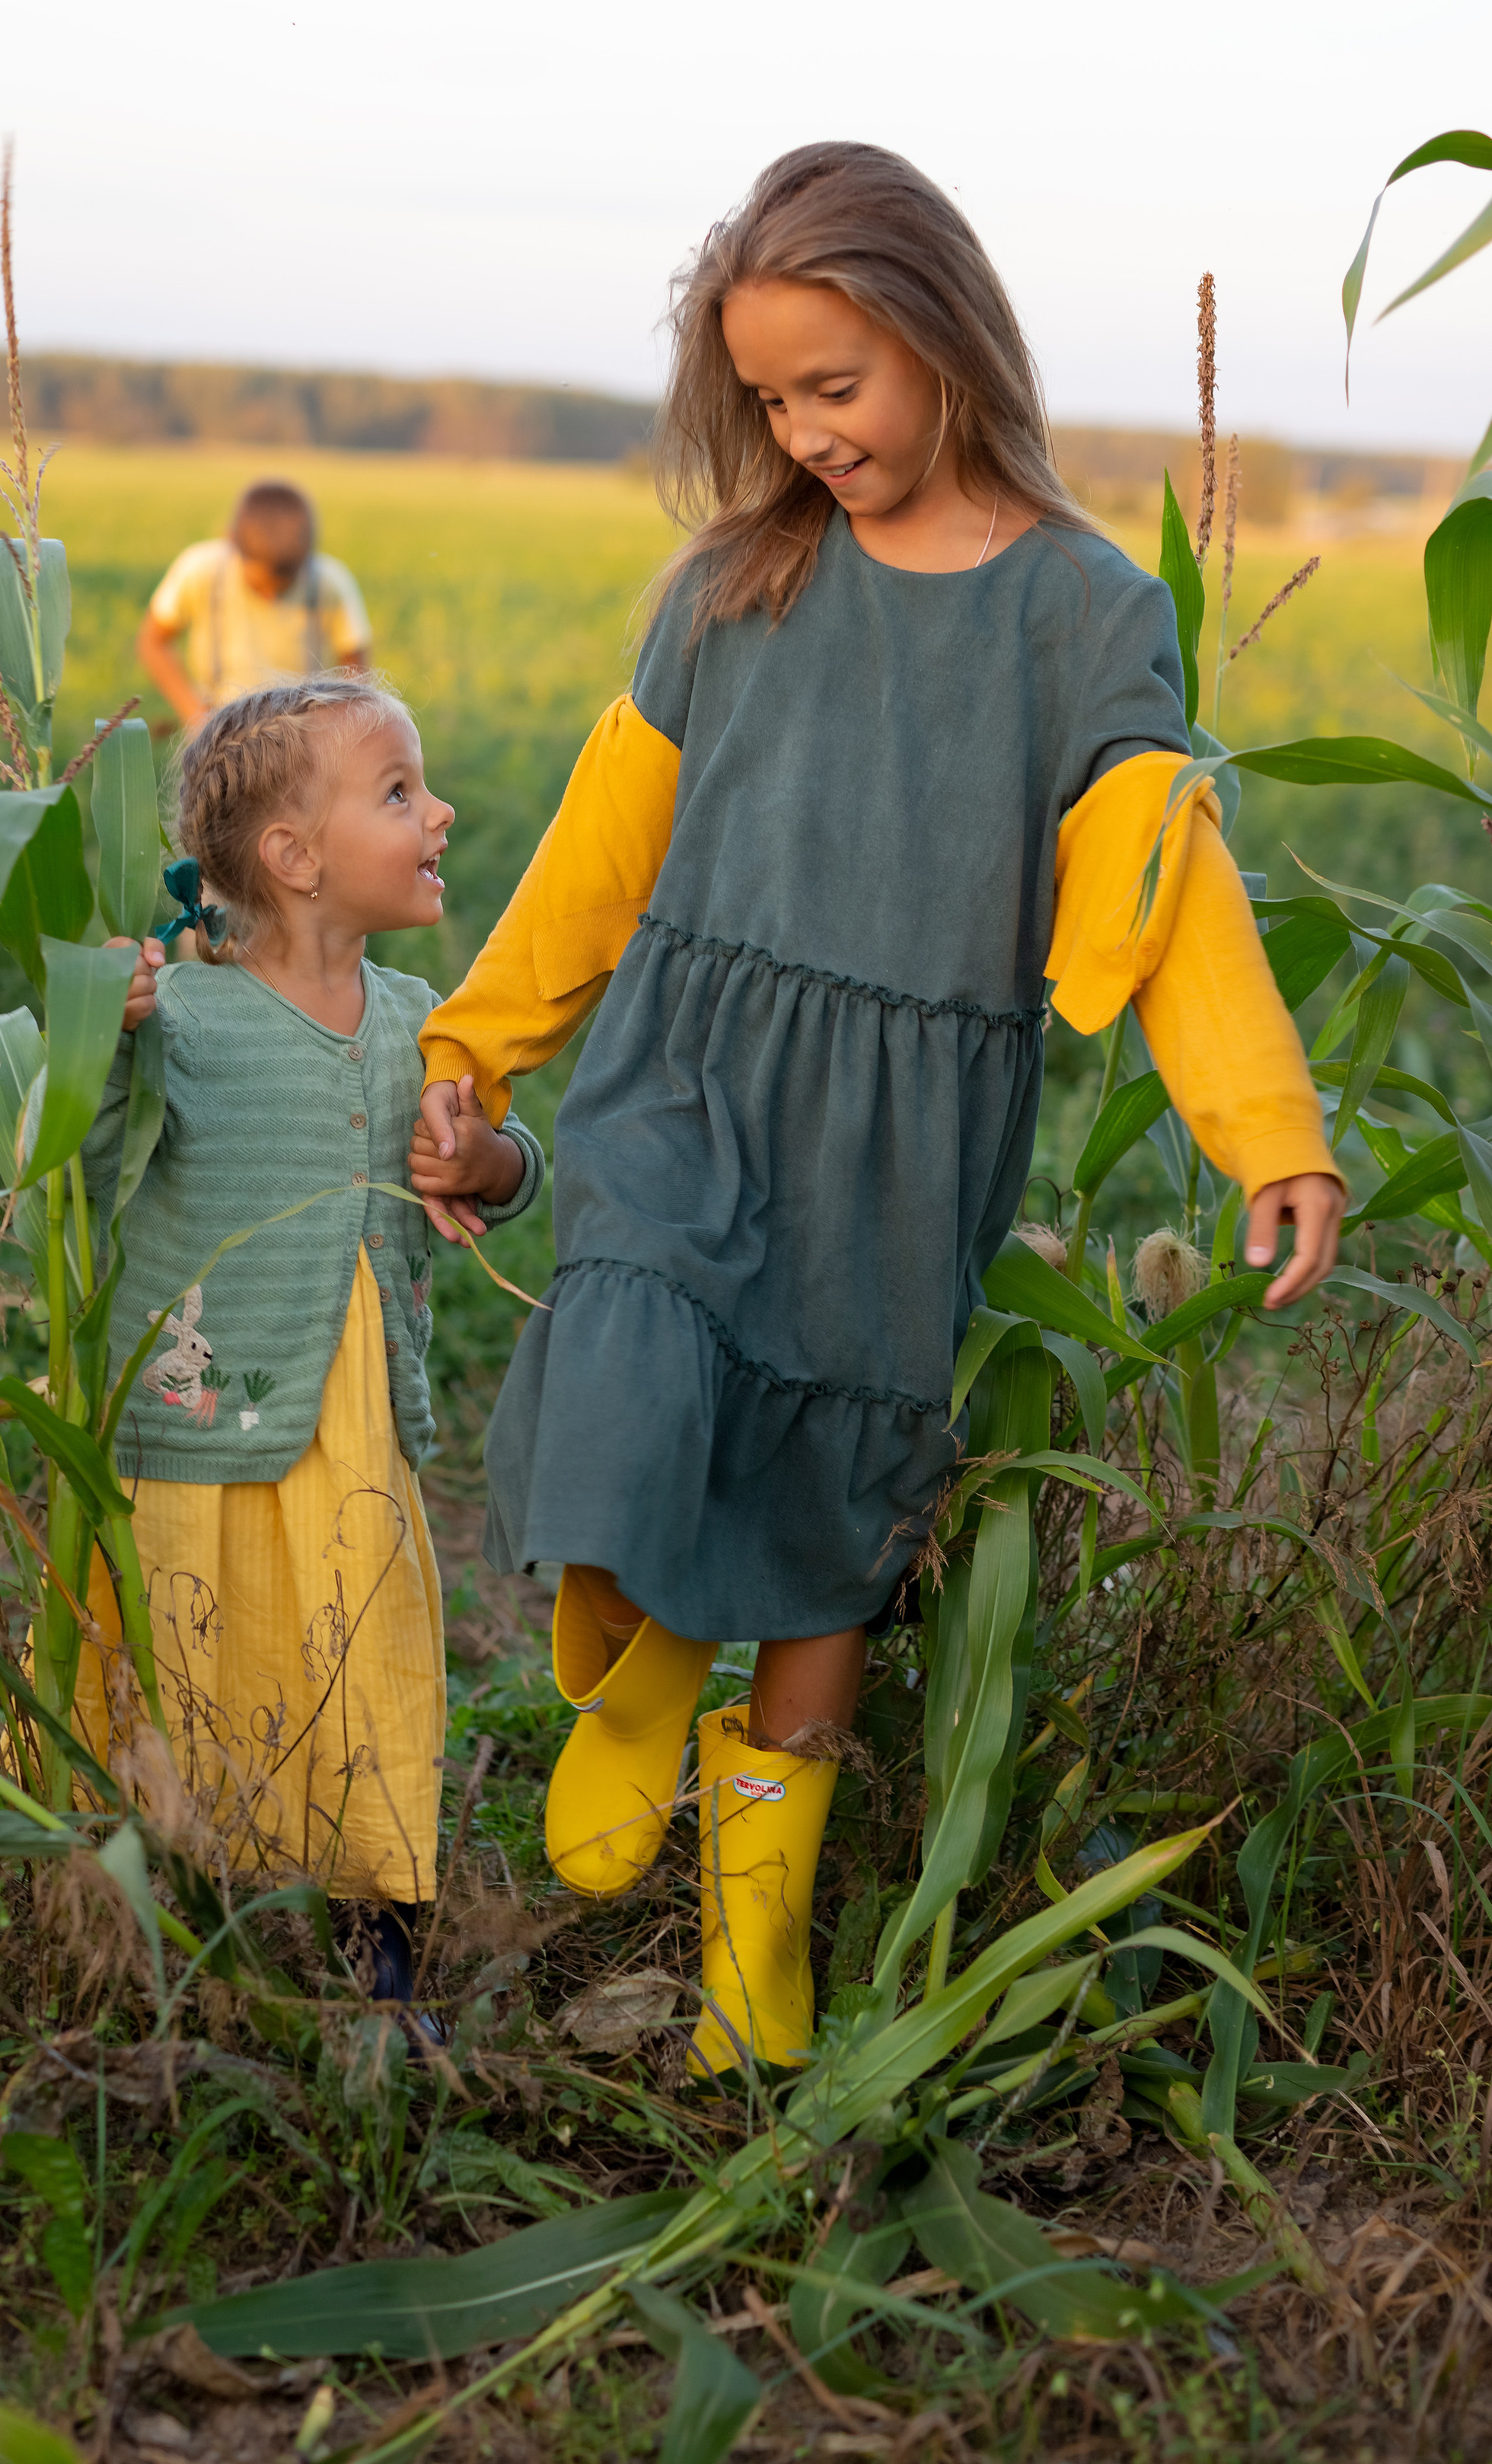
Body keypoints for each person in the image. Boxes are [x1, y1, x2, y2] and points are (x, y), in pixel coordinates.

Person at [410, 142, 1343, 2081]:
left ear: (939, 332)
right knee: (634, 1342)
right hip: (686, 1060)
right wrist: (482, 1041)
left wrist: (1268, 1129)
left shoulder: (1082, 614)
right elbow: (604, 842)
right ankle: (651, 1659)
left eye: (830, 383)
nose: (801, 430)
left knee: (829, 1511)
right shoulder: (735, 581)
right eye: (764, 398)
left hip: (900, 1128)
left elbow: (1155, 875)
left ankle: (758, 1969)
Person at [81, 670, 541, 2022]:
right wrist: (92, 1040)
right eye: (400, 792)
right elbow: (85, 1159)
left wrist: (486, 1155)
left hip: (357, 1426)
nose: (439, 810)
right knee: (202, 1649)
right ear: (292, 857)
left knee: (368, 1652)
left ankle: (375, 1928)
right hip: (201, 1421)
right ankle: (186, 1910)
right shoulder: (181, 1018)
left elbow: (514, 1176)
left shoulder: (419, 1020)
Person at [138, 479, 371, 730]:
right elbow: (153, 641)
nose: (272, 597)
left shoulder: (329, 583)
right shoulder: (201, 571)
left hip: (299, 731)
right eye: (261, 585)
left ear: (309, 558)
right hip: (219, 726)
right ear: (231, 542)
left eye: (284, 585)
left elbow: (356, 671)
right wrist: (195, 714)